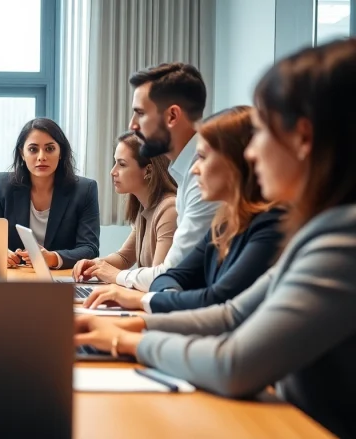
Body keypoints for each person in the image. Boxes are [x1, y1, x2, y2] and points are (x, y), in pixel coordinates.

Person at [73, 39, 356, 438]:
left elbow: (233, 364)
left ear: (303, 138)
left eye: (262, 132)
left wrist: (127, 342)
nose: (251, 154)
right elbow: (232, 315)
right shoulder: (317, 231)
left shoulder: (342, 240)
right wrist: (134, 327)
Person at [83, 106, 283, 312]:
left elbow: (216, 300)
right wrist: (162, 296)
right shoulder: (223, 223)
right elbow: (170, 276)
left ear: (238, 162)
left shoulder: (270, 225)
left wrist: (142, 298)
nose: (195, 169)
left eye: (203, 157)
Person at [73, 63, 218, 291]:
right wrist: (101, 267)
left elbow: (170, 275)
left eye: (140, 113)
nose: (132, 124)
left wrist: (116, 276)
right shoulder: (184, 175)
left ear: (172, 116)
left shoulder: (203, 180)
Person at [0, 118, 99, 269]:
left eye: (50, 149)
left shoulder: (85, 190)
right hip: (14, 275)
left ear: (61, 152)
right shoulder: (3, 185)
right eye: (33, 149)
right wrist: (0, 252)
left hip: (60, 277)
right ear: (22, 153)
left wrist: (53, 258)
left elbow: (90, 248)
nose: (41, 157)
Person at [72, 132, 177, 280]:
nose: (112, 171)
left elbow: (159, 278)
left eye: (122, 164)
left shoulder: (169, 209)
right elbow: (124, 258)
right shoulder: (145, 208)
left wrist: (116, 275)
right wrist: (95, 264)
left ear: (148, 170)